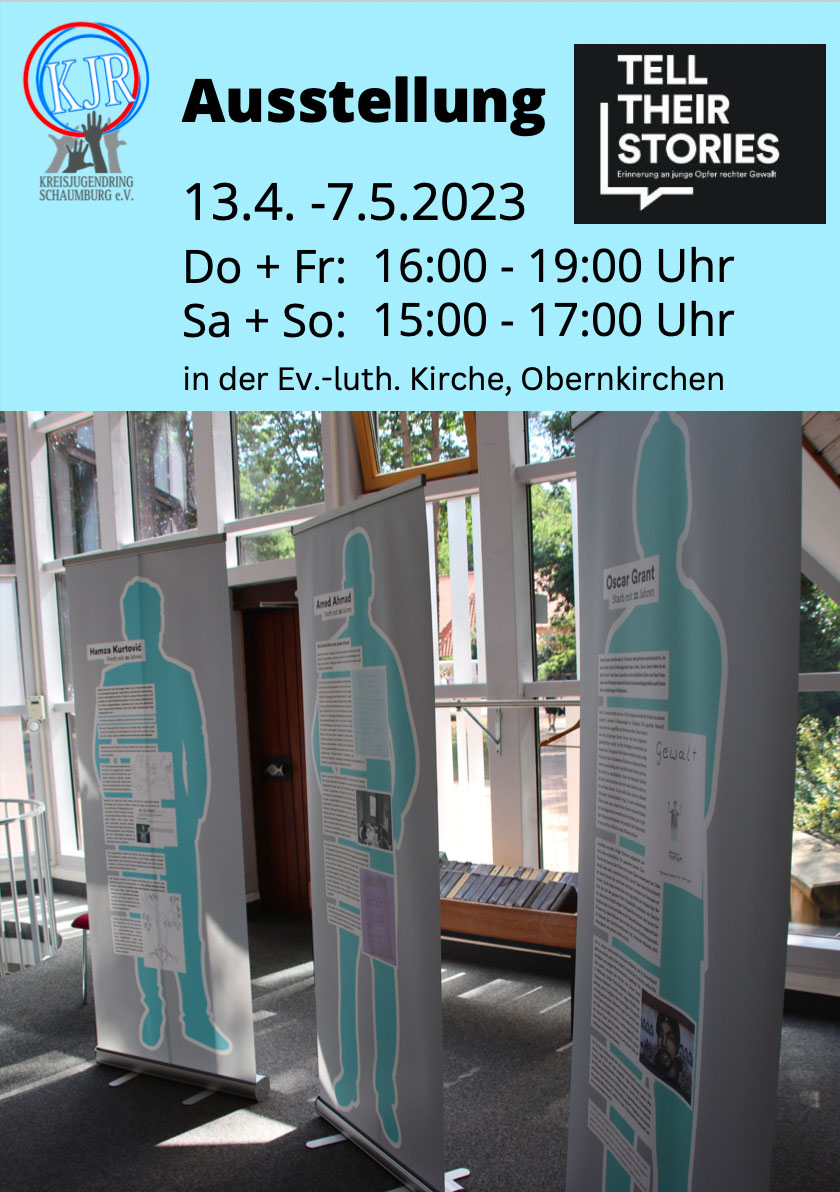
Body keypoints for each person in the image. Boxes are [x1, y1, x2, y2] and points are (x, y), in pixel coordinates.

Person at [313, 528, 417, 1146]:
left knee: (379, 967)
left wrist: (391, 826)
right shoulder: (337, 659)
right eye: (353, 575)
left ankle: (384, 1092)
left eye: (362, 574)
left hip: (372, 843)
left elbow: (405, 752)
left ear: (369, 584)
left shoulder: (378, 653)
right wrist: (341, 819)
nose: (359, 584)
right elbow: (320, 750)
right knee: (353, 967)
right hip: (350, 843)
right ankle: (352, 1078)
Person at [94, 578, 230, 1054]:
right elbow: (102, 749)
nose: (141, 624)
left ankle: (195, 1016)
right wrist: (117, 808)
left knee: (183, 918)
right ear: (127, 623)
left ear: (159, 621)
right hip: (133, 821)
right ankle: (153, 1009)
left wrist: (195, 810)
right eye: (133, 615)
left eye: (148, 614)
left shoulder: (178, 677)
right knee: (142, 916)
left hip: (175, 819)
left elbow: (197, 749)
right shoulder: (113, 680)